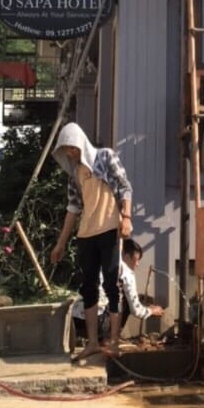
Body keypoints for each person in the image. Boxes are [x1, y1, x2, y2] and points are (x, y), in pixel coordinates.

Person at [50, 122, 133, 361]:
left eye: (72, 148)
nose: (70, 153)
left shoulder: (105, 157)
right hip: (86, 234)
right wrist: (60, 243)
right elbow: (73, 209)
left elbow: (124, 187)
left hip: (109, 229)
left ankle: (114, 341)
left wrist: (126, 217)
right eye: (66, 150)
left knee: (112, 284)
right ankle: (93, 343)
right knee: (88, 287)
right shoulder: (74, 175)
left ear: (80, 143)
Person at [118, 238, 165, 342]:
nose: (137, 264)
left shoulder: (108, 264)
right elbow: (136, 310)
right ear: (126, 256)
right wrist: (152, 311)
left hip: (87, 319)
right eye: (137, 260)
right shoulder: (126, 272)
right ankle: (112, 335)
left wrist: (146, 306)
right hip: (103, 322)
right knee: (125, 302)